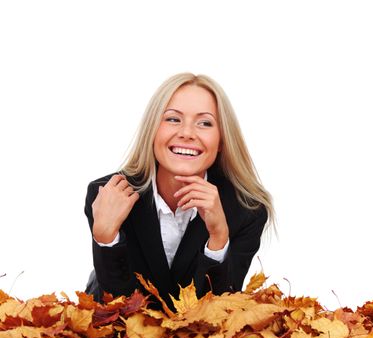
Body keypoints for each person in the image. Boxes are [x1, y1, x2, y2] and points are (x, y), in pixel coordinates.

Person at [84, 73, 274, 309]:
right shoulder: (107, 194)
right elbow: (114, 310)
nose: (187, 133)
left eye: (204, 123)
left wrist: (218, 238)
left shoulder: (247, 211)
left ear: (222, 141)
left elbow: (222, 317)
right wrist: (105, 239)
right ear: (152, 130)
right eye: (173, 119)